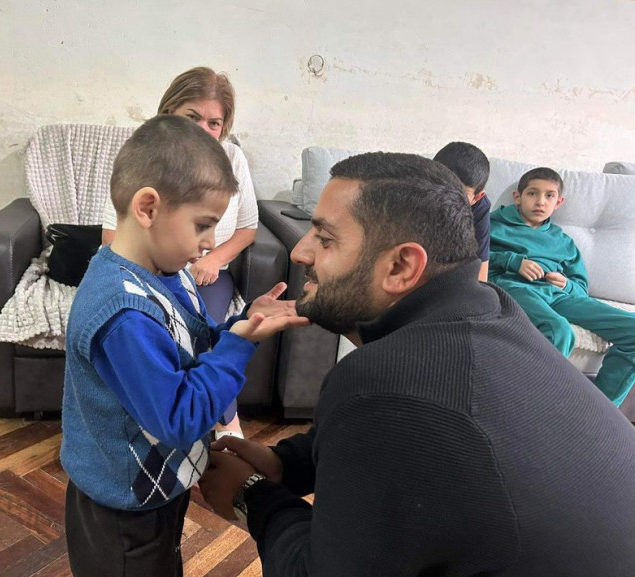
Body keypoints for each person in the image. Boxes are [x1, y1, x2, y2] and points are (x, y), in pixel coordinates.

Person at [199, 152, 635, 576]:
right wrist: (286, 463)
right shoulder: (493, 308)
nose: (300, 253)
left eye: (325, 239)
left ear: (402, 266)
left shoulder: (381, 383)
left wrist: (251, 495)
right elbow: (407, 452)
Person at [61, 115, 307, 577]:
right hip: (124, 513)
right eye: (202, 225)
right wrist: (236, 348)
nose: (210, 243)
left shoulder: (166, 273)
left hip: (156, 487)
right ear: (148, 208)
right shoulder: (122, 315)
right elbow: (178, 419)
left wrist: (240, 325)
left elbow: (189, 344)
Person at [102, 66, 258, 439]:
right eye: (192, 117)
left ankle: (225, 420)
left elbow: (247, 228)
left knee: (203, 327)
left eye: (214, 123)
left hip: (206, 277)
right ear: (169, 111)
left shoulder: (232, 159)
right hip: (151, 274)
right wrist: (157, 274)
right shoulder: (142, 157)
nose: (202, 130)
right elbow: (112, 237)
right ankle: (196, 419)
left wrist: (212, 260)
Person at [489, 166, 635, 406]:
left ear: (559, 202)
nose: (540, 201)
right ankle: (526, 406)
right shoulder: (492, 225)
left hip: (560, 296)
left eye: (549, 196)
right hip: (515, 287)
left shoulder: (563, 241)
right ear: (518, 197)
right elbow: (472, 260)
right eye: (532, 193)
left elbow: (581, 287)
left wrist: (566, 284)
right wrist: (512, 262)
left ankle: (597, 411)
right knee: (559, 331)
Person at [434, 141, 491, 281]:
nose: (446, 198)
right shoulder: (413, 191)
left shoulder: (480, 208)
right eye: (439, 186)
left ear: (476, 198)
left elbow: (481, 268)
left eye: (460, 194)